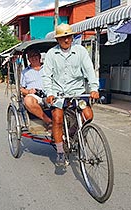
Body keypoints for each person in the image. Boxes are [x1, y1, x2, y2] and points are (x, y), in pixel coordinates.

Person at [41, 24, 100, 166]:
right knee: (57, 118)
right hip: (58, 92)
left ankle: (73, 135)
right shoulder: (51, 54)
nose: (66, 40)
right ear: (58, 40)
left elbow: (89, 71)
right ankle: (60, 151)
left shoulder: (80, 51)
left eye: (68, 37)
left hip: (77, 91)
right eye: (62, 38)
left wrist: (94, 88)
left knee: (88, 115)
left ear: (72, 37)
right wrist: (50, 93)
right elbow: (46, 76)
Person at [20, 49, 52, 129]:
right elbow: (21, 89)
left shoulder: (48, 68)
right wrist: (28, 91)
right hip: (35, 96)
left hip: (50, 92)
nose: (33, 58)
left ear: (39, 56)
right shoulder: (25, 72)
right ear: (28, 59)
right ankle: (47, 120)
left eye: (35, 55)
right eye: (31, 56)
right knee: (28, 100)